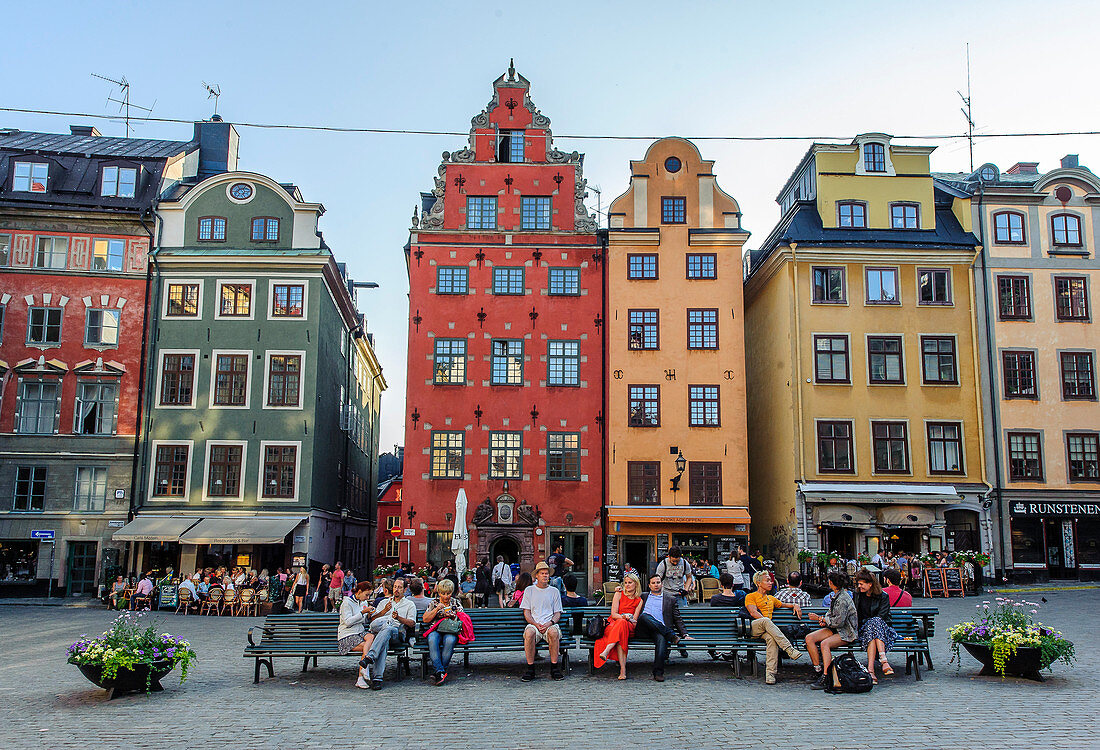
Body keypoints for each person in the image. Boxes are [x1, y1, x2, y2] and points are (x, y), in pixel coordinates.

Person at [744, 571, 803, 684]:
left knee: (772, 640)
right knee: (766, 620)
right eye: (767, 580)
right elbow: (753, 612)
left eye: (771, 580)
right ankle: (789, 649)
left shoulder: (771, 598)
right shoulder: (751, 596)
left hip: (767, 630)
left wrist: (795, 605)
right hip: (754, 627)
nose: (771, 583)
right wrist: (766, 623)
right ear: (758, 583)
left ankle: (770, 674)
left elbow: (785, 605)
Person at [805, 571, 858, 691]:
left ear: (831, 583)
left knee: (825, 644)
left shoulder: (843, 598)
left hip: (846, 631)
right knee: (810, 638)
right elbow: (831, 615)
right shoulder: (837, 595)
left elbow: (839, 621)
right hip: (834, 628)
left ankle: (826, 675)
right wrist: (825, 620)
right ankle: (817, 669)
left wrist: (820, 618)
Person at [361, 578, 417, 690]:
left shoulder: (409, 604)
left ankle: (371, 657)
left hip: (398, 633)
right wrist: (384, 612)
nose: (396, 589)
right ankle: (377, 679)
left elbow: (412, 623)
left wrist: (399, 618)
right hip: (383, 633)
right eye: (395, 587)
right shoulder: (384, 602)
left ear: (405, 589)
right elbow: (373, 621)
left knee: (389, 628)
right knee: (385, 636)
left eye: (400, 587)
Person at [636, 574, 692, 682]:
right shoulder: (643, 596)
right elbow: (628, 592)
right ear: (649, 585)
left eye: (658, 582)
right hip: (643, 629)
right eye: (653, 583)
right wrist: (618, 589)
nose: (656, 585)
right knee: (644, 616)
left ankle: (658, 672)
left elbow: (677, 618)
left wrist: (685, 634)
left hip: (659, 630)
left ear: (662, 584)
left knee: (661, 638)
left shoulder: (670, 599)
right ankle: (671, 635)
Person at [593, 574, 643, 680]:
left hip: (629, 625)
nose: (627, 585)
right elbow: (614, 614)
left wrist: (627, 618)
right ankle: (622, 669)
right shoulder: (619, 594)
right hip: (615, 623)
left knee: (623, 625)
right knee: (621, 630)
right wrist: (622, 617)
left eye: (630, 582)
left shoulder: (639, 600)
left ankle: (607, 650)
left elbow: (635, 620)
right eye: (625, 583)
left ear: (636, 584)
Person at [520, 561, 565, 681]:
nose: (545, 576)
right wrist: (535, 624)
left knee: (553, 633)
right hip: (534, 623)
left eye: (547, 574)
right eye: (542, 573)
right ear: (537, 576)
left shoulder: (554, 591)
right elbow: (527, 612)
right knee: (529, 633)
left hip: (549, 623)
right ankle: (530, 668)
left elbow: (557, 613)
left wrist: (550, 623)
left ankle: (554, 667)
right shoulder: (529, 590)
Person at [854, 569, 898, 684]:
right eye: (858, 584)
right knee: (872, 626)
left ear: (870, 584)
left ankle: (871, 671)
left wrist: (871, 623)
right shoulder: (858, 595)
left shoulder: (883, 596)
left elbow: (882, 616)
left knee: (875, 623)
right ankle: (884, 661)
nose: (859, 587)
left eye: (861, 584)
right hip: (864, 629)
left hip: (883, 630)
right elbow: (856, 615)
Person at [423, 579, 464, 685]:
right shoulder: (434, 603)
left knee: (449, 640)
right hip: (435, 629)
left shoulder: (455, 602)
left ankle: (439, 672)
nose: (446, 596)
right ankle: (440, 671)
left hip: (450, 629)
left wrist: (453, 615)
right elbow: (425, 619)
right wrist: (436, 610)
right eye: (443, 593)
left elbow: (463, 618)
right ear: (439, 593)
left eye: (448, 593)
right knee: (432, 639)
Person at [656, 546, 695, 657]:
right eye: (673, 561)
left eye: (677, 561)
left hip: (679, 595)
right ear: (669, 557)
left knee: (682, 621)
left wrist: (686, 589)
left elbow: (689, 577)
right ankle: (667, 649)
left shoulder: (685, 563)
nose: (675, 563)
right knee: (667, 622)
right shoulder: (663, 564)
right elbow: (657, 580)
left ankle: (682, 647)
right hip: (667, 595)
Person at [338, 581, 377, 689]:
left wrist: (368, 615)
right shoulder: (347, 603)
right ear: (359, 592)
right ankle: (362, 675)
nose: (367, 597)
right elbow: (348, 622)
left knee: (371, 637)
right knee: (367, 646)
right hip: (347, 634)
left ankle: (363, 669)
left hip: (359, 632)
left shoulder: (361, 602)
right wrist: (363, 612)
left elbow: (362, 622)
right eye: (366, 594)